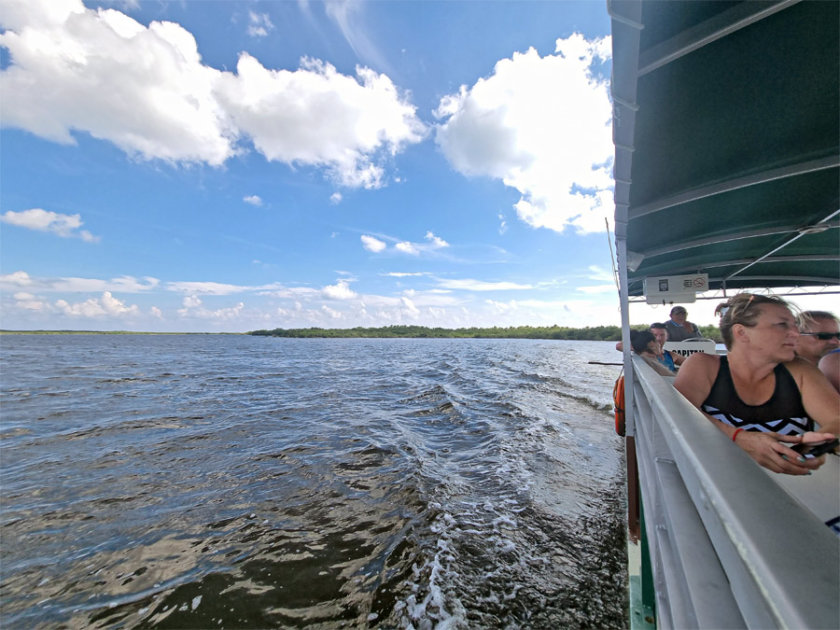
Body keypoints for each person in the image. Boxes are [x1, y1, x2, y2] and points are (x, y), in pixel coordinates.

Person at [673, 293, 839, 475]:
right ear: (741, 332)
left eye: (795, 326)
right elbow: (677, 416)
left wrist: (819, 443)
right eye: (782, 325)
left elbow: (836, 421)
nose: (795, 333)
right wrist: (738, 438)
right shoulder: (704, 365)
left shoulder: (800, 371)